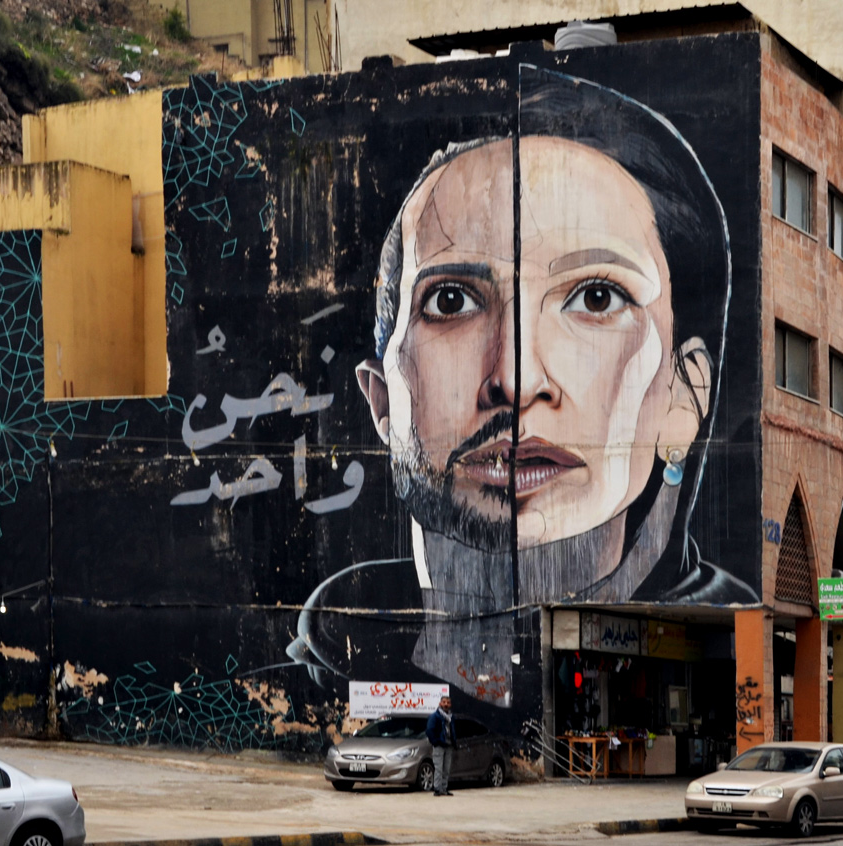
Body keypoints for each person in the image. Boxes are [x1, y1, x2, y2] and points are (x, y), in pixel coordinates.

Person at [289, 65, 757, 701]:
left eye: (596, 296)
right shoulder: (308, 679)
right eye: (450, 301)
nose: (515, 379)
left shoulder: (721, 656)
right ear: (381, 397)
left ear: (685, 395)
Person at [426, 695, 457, 796]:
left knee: (446, 768)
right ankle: (437, 788)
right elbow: (429, 730)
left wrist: (454, 742)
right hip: (439, 745)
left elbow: (453, 731)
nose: (446, 705)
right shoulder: (435, 716)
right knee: (438, 767)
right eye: (444, 702)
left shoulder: (451, 717)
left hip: (448, 745)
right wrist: (435, 741)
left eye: (448, 703)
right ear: (440, 703)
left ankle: (444, 788)